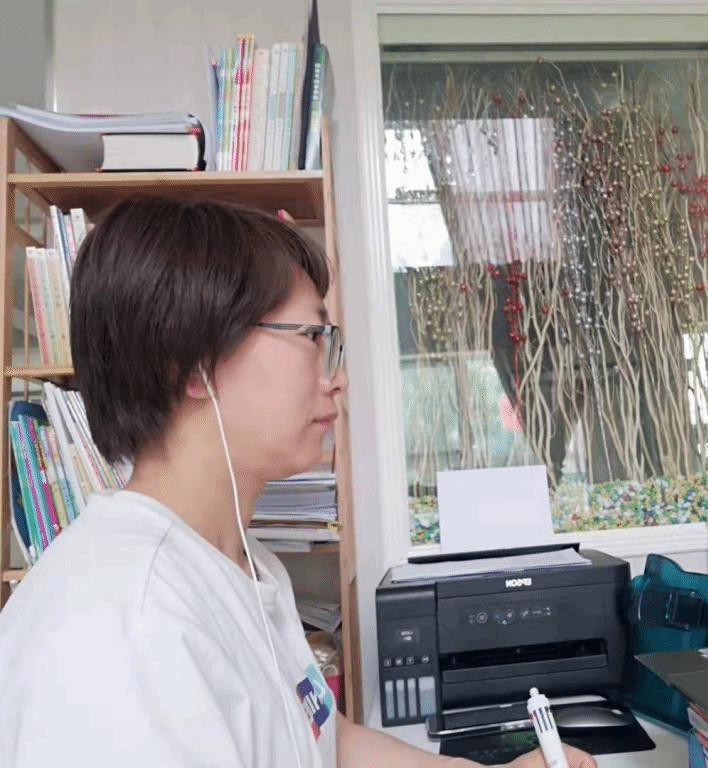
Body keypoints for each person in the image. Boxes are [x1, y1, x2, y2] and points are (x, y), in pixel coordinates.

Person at [0, 196, 597, 768]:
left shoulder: (242, 562)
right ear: (191, 364)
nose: (337, 378)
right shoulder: (124, 628)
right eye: (314, 338)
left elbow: (323, 742)